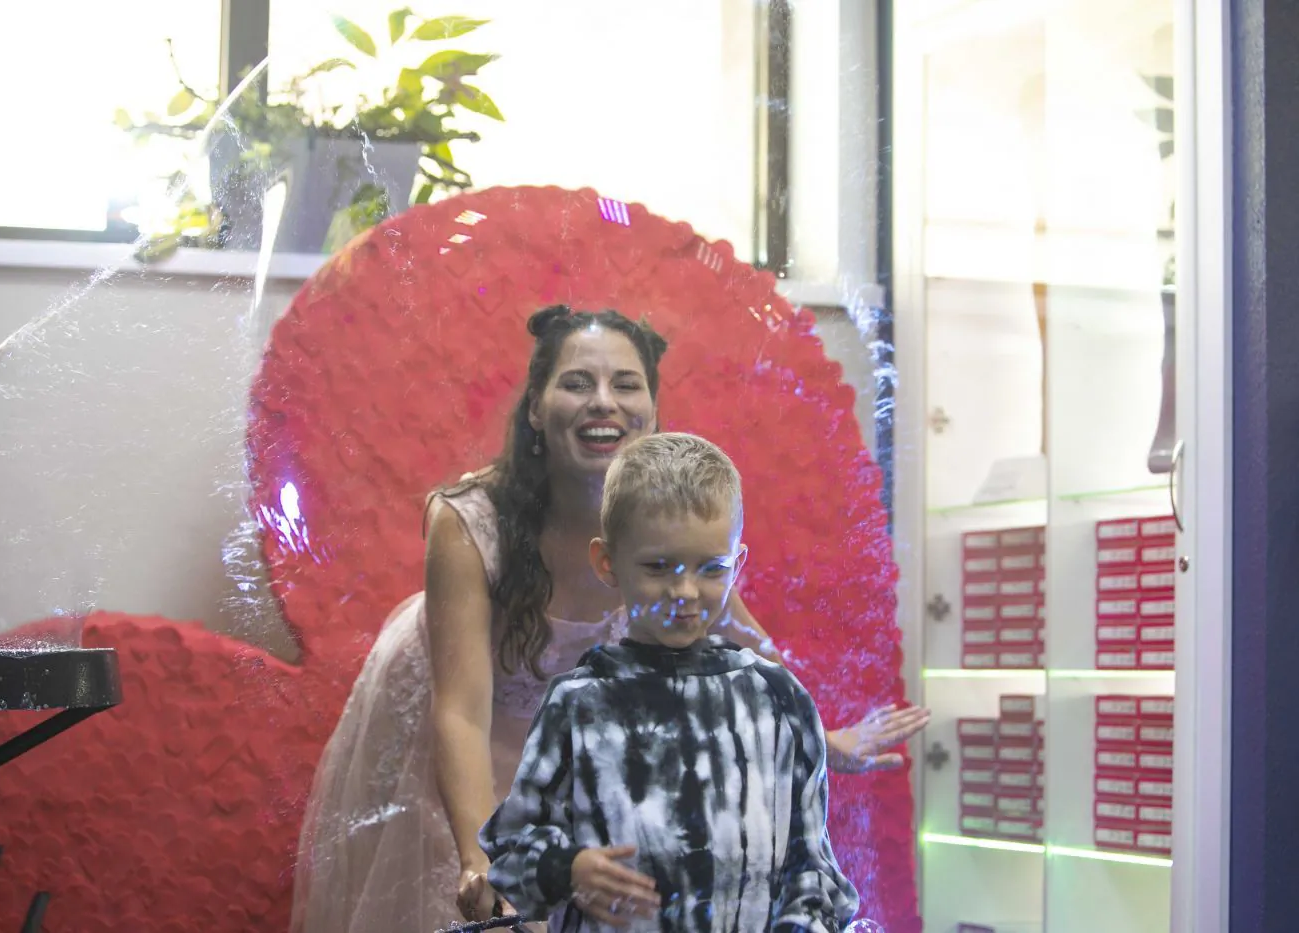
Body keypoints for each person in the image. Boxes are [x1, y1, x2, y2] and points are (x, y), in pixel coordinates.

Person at [289, 306, 929, 933]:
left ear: (651, 410)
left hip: (586, 751)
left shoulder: (659, 517)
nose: (603, 402)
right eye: (577, 383)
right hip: (468, 745)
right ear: (536, 408)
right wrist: (479, 859)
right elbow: (461, 713)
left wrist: (817, 736)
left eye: (626, 385)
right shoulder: (471, 520)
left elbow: (737, 631)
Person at [480, 433, 858, 932]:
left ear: (738, 564)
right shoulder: (579, 705)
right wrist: (565, 868)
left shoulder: (777, 700)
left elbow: (814, 873)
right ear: (607, 562)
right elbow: (510, 852)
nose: (685, 591)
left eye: (711, 568)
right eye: (658, 568)